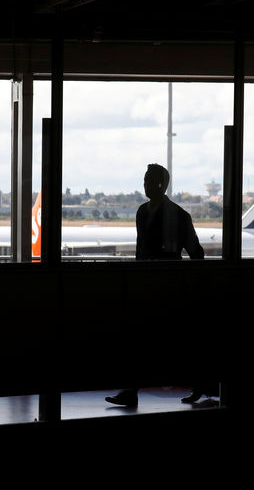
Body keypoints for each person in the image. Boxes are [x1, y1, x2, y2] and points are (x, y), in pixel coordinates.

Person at [105, 163, 204, 408]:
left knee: (154, 340)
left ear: (160, 184)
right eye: (145, 179)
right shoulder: (155, 212)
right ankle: (197, 385)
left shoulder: (176, 215)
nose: (145, 184)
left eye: (149, 180)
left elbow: (195, 253)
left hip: (166, 286)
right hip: (152, 285)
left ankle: (133, 391)